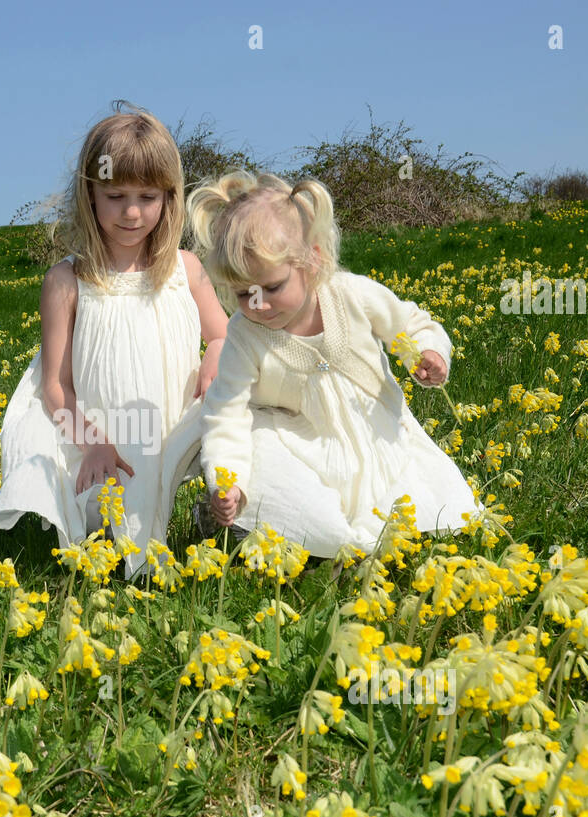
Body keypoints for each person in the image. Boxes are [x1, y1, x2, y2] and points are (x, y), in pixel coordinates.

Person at [0, 104, 229, 579]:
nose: (133, 212)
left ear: (170, 198)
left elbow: (222, 334)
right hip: (105, 439)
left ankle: (215, 511)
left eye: (148, 196)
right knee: (108, 526)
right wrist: (92, 443)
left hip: (179, 431)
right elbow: (55, 386)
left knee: (248, 413)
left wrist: (215, 356)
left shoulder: (186, 270)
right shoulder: (68, 281)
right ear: (89, 195)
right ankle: (111, 536)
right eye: (115, 195)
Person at [188, 170, 485, 557]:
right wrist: (226, 479)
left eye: (273, 287)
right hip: (296, 441)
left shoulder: (352, 295)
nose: (258, 304)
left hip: (376, 435)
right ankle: (236, 520)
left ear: (313, 259)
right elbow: (225, 413)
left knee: (442, 510)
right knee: (313, 520)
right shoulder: (244, 336)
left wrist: (427, 352)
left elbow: (411, 324)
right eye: (245, 294)